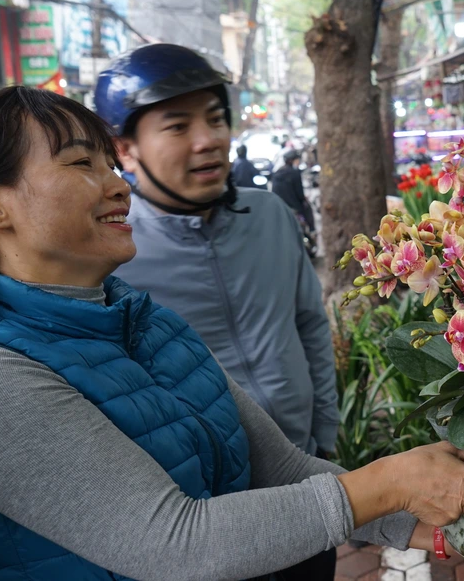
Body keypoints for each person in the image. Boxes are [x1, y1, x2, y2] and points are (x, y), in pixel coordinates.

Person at [0, 87, 464, 581]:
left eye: (111, 162)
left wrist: (449, 526)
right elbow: (173, 541)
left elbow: (282, 469)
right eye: (81, 163)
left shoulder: (152, 325)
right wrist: (386, 484)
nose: (117, 183)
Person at [95, 44, 334, 579]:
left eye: (216, 118)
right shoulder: (111, 257)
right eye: (177, 126)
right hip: (208, 523)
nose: (209, 140)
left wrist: (325, 432)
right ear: (125, 150)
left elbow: (310, 326)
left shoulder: (270, 215)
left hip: (306, 480)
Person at [271, 149, 314, 233]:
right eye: (297, 160)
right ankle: (312, 231)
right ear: (292, 160)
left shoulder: (277, 173)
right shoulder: (295, 173)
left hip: (278, 206)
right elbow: (300, 195)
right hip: (293, 207)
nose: (298, 162)